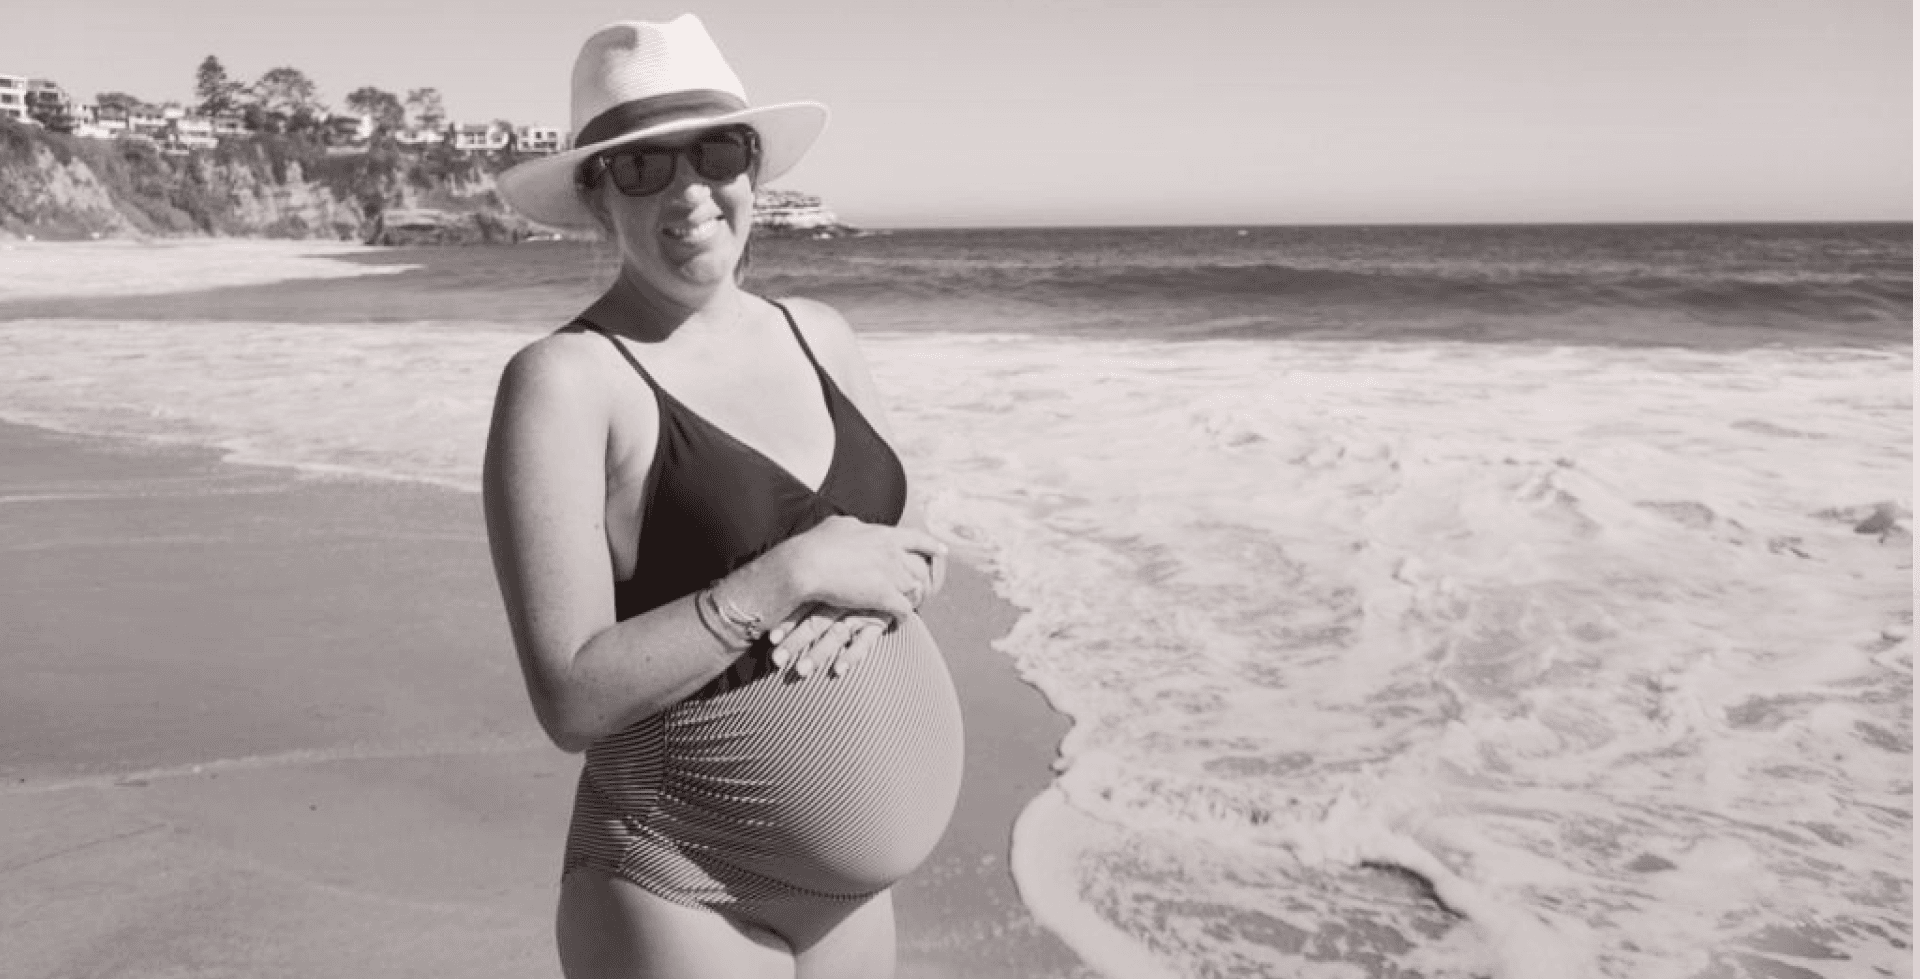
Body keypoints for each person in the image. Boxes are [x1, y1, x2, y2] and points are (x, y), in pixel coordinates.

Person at [484, 15, 965, 979]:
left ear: (754, 166)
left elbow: (901, 542)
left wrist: (908, 571)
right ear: (594, 195)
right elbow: (569, 696)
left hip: (852, 902)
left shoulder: (819, 332)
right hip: (680, 880)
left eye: (716, 152)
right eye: (642, 167)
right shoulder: (569, 381)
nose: (691, 190)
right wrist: (784, 577)